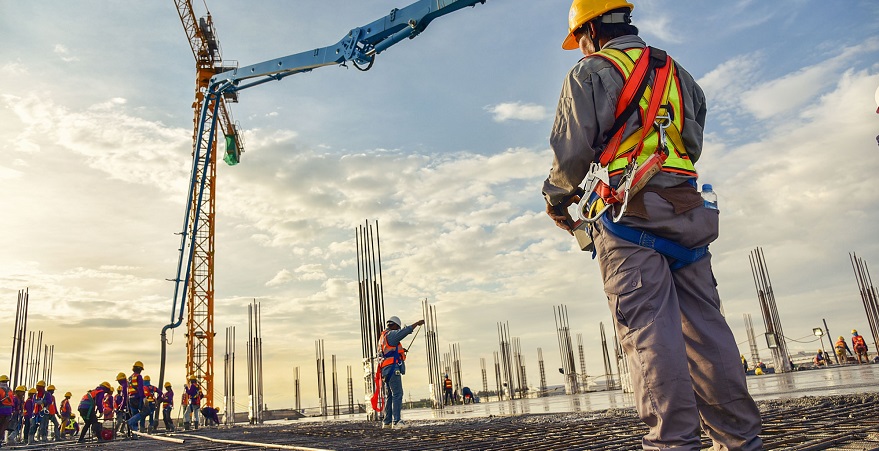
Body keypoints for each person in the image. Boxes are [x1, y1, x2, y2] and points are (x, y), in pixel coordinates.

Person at [542, 1, 763, 449]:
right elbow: (692, 139)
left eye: (579, 41)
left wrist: (557, 200)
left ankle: (673, 443)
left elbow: (571, 152)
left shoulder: (590, 71)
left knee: (650, 335)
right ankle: (741, 440)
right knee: (707, 331)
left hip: (628, 217)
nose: (579, 49)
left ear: (590, 31)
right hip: (688, 213)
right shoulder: (678, 73)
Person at [378, 315, 424, 429]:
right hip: (392, 369)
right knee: (397, 394)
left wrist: (401, 351)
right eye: (397, 328)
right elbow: (405, 332)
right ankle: (397, 421)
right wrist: (417, 323)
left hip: (385, 370)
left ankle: (387, 422)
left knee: (390, 395)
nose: (398, 330)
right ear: (394, 326)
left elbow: (388, 351)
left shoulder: (383, 337)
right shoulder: (392, 334)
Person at [126, 361, 146, 434]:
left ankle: (135, 433)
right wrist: (143, 398)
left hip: (130, 398)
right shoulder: (138, 376)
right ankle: (130, 421)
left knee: (135, 414)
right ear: (139, 369)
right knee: (146, 411)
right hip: (137, 398)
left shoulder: (130, 378)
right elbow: (140, 388)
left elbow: (128, 389)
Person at [0, 376, 14, 444]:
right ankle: (0, 440)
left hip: (1, 410)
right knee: (3, 428)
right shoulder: (10, 390)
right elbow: (12, 401)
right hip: (8, 411)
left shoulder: (0, 389)